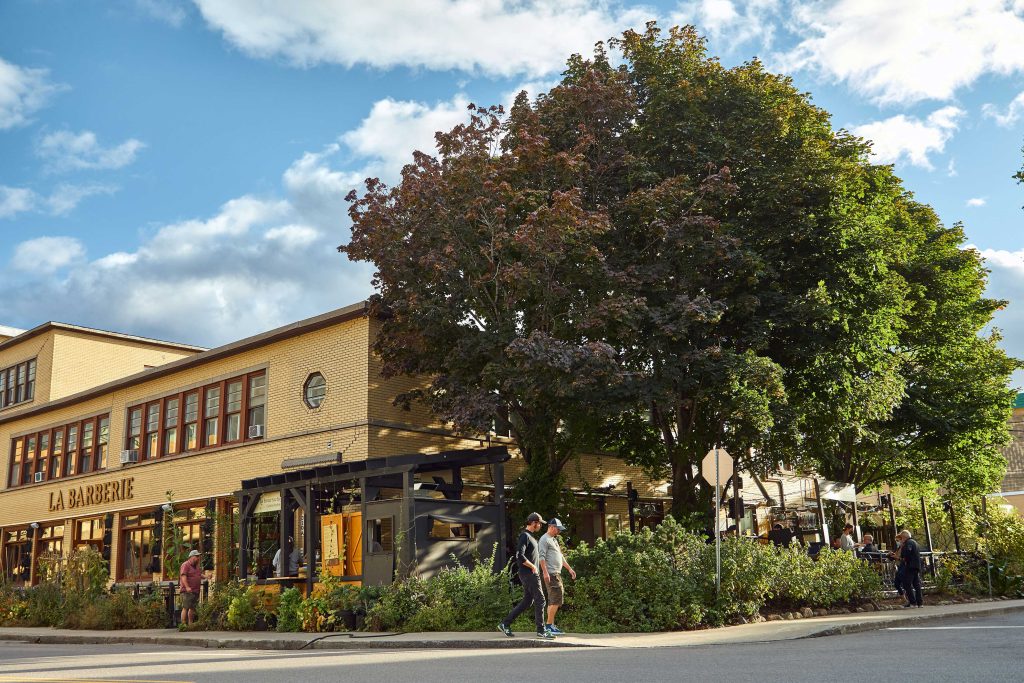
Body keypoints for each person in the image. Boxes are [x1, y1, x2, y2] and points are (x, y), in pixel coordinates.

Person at [498, 512, 553, 639]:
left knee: (528, 601)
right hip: (529, 574)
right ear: (534, 523)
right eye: (539, 523)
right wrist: (533, 566)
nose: (540, 526)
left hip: (530, 574)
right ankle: (541, 630)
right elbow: (519, 556)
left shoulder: (532, 537)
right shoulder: (525, 536)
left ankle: (505, 624)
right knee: (541, 600)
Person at [538, 518, 576, 635]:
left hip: (555, 573)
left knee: (553, 600)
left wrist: (569, 569)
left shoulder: (553, 540)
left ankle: (550, 625)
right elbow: (541, 557)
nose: (559, 531)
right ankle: (549, 626)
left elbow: (560, 556)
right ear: (552, 527)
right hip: (551, 573)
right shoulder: (544, 539)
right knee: (556, 598)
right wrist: (545, 572)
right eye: (558, 529)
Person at [897, 529, 924, 608]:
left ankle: (913, 602)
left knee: (907, 584)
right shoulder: (914, 542)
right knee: (916, 584)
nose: (901, 540)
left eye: (901, 538)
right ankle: (920, 603)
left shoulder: (908, 543)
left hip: (910, 566)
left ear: (904, 537)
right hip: (916, 565)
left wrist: (905, 558)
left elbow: (907, 553)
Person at [178, 549, 202, 627]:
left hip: (195, 590)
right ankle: (183, 624)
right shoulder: (185, 565)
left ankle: (190, 624)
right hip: (187, 591)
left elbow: (199, 575)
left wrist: (206, 576)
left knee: (192, 608)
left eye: (198, 556)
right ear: (191, 557)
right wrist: (187, 586)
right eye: (196, 556)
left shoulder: (197, 567)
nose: (198, 558)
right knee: (186, 607)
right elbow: (183, 576)